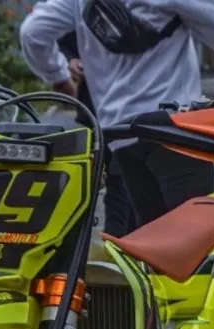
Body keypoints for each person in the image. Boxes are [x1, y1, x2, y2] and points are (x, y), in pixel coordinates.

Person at [20, 0, 214, 231]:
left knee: (153, 237)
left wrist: (58, 76)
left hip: (122, 133)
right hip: (176, 129)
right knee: (200, 236)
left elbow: (33, 33)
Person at [58, 30, 136, 235]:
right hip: (91, 109)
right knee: (81, 183)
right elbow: (58, 40)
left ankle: (117, 244)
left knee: (122, 182)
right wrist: (68, 60)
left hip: (127, 108)